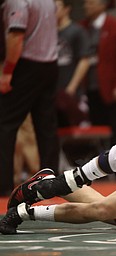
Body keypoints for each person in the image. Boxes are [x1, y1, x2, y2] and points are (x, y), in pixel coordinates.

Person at [0, 0, 59, 196]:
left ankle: (3, 183)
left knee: (5, 123)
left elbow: (16, 36)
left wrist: (8, 71)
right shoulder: (48, 2)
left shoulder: (18, 1)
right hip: (50, 64)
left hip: (25, 65)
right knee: (47, 127)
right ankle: (52, 182)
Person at [81, 0, 116, 146]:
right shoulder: (82, 27)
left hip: (111, 88)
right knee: (96, 130)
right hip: (90, 87)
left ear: (102, 5)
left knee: (114, 130)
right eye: (86, 3)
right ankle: (98, 164)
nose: (86, 6)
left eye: (91, 3)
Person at [55, 0, 90, 128]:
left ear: (66, 9)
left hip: (72, 91)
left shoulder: (77, 31)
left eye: (57, 6)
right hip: (53, 91)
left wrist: (72, 87)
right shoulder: (49, 33)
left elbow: (84, 60)